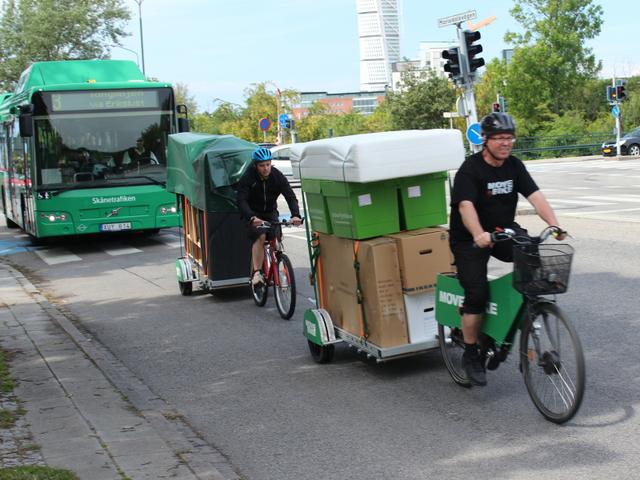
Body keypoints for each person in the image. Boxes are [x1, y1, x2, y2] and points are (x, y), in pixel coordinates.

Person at [449, 112, 566, 387]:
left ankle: (512, 319)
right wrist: (478, 234)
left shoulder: (514, 166)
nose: (506, 143)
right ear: (486, 141)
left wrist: (555, 225)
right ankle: (470, 353)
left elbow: (535, 196)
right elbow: (465, 206)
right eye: (499, 138)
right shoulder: (470, 169)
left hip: (503, 231)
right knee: (476, 293)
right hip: (470, 238)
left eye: (509, 138)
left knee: (531, 256)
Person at [237, 147, 302, 287]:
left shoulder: (277, 176)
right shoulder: (248, 177)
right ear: (255, 165)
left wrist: (295, 215)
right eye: (262, 165)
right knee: (260, 237)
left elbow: (290, 196)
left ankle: (277, 261)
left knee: (276, 237)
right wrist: (251, 217)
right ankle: (257, 273)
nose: (266, 168)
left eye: (268, 164)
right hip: (253, 214)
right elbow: (241, 200)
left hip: (270, 213)